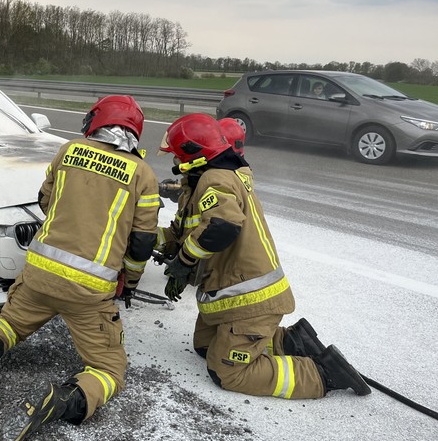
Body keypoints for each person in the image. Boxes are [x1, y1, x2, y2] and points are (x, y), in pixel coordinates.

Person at [0, 95, 161, 440]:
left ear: (96, 122)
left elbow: (46, 199)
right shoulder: (143, 174)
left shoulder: (68, 150)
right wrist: (129, 281)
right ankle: (60, 401)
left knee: (9, 322)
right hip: (88, 292)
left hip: (39, 274)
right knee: (110, 369)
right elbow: (142, 242)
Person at [155, 113, 371, 400]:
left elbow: (222, 225)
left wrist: (184, 262)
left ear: (193, 155)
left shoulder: (215, 179)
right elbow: (184, 233)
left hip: (251, 300)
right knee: (205, 346)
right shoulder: (202, 183)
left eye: (178, 156)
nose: (174, 162)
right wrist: (145, 238)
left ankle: (324, 374)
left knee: (227, 371)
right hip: (229, 297)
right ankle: (292, 341)